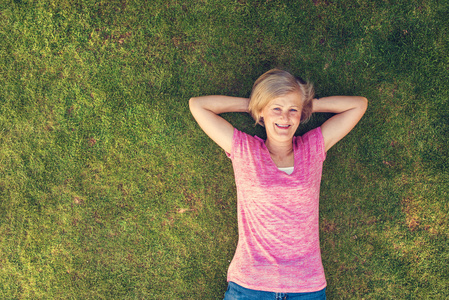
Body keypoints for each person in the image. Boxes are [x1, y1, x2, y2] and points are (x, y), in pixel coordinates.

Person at [189, 69, 368, 300]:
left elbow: (358, 105)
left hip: (306, 286)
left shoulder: (313, 148)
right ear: (263, 112)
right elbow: (198, 106)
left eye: (292, 110)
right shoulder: (245, 151)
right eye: (277, 109)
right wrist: (258, 104)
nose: (285, 118)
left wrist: (303, 103)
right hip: (250, 284)